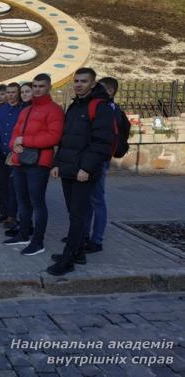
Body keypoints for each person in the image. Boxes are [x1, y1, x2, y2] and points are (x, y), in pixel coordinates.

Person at [48, 68, 114, 276]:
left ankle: (69, 257)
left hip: (83, 172)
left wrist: (86, 168)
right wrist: (57, 163)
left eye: (83, 81)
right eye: (76, 81)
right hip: (68, 169)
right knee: (75, 212)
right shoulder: (75, 106)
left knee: (78, 214)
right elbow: (66, 138)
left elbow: (102, 142)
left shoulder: (101, 107)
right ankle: (78, 252)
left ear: (93, 84)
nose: (78, 84)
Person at [4, 74, 64, 257]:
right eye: (35, 86)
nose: (37, 89)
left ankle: (38, 242)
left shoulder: (54, 110)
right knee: (22, 201)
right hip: (20, 161)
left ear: (49, 87)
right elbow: (15, 134)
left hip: (39, 163)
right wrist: (14, 144)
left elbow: (54, 137)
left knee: (37, 203)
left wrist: (25, 140)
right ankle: (24, 233)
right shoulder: (26, 110)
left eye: (41, 86)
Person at [83, 76, 123, 253]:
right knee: (87, 200)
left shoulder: (110, 109)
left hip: (99, 161)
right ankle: (83, 234)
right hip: (89, 159)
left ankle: (96, 239)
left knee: (97, 200)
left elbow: (106, 138)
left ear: (110, 91)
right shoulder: (99, 106)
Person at [0, 82, 23, 226]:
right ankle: (4, 212)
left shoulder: (23, 109)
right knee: (2, 184)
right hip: (0, 153)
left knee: (13, 186)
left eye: (13, 92)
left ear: (18, 93)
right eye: (8, 92)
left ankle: (12, 215)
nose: (10, 95)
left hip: (14, 154)